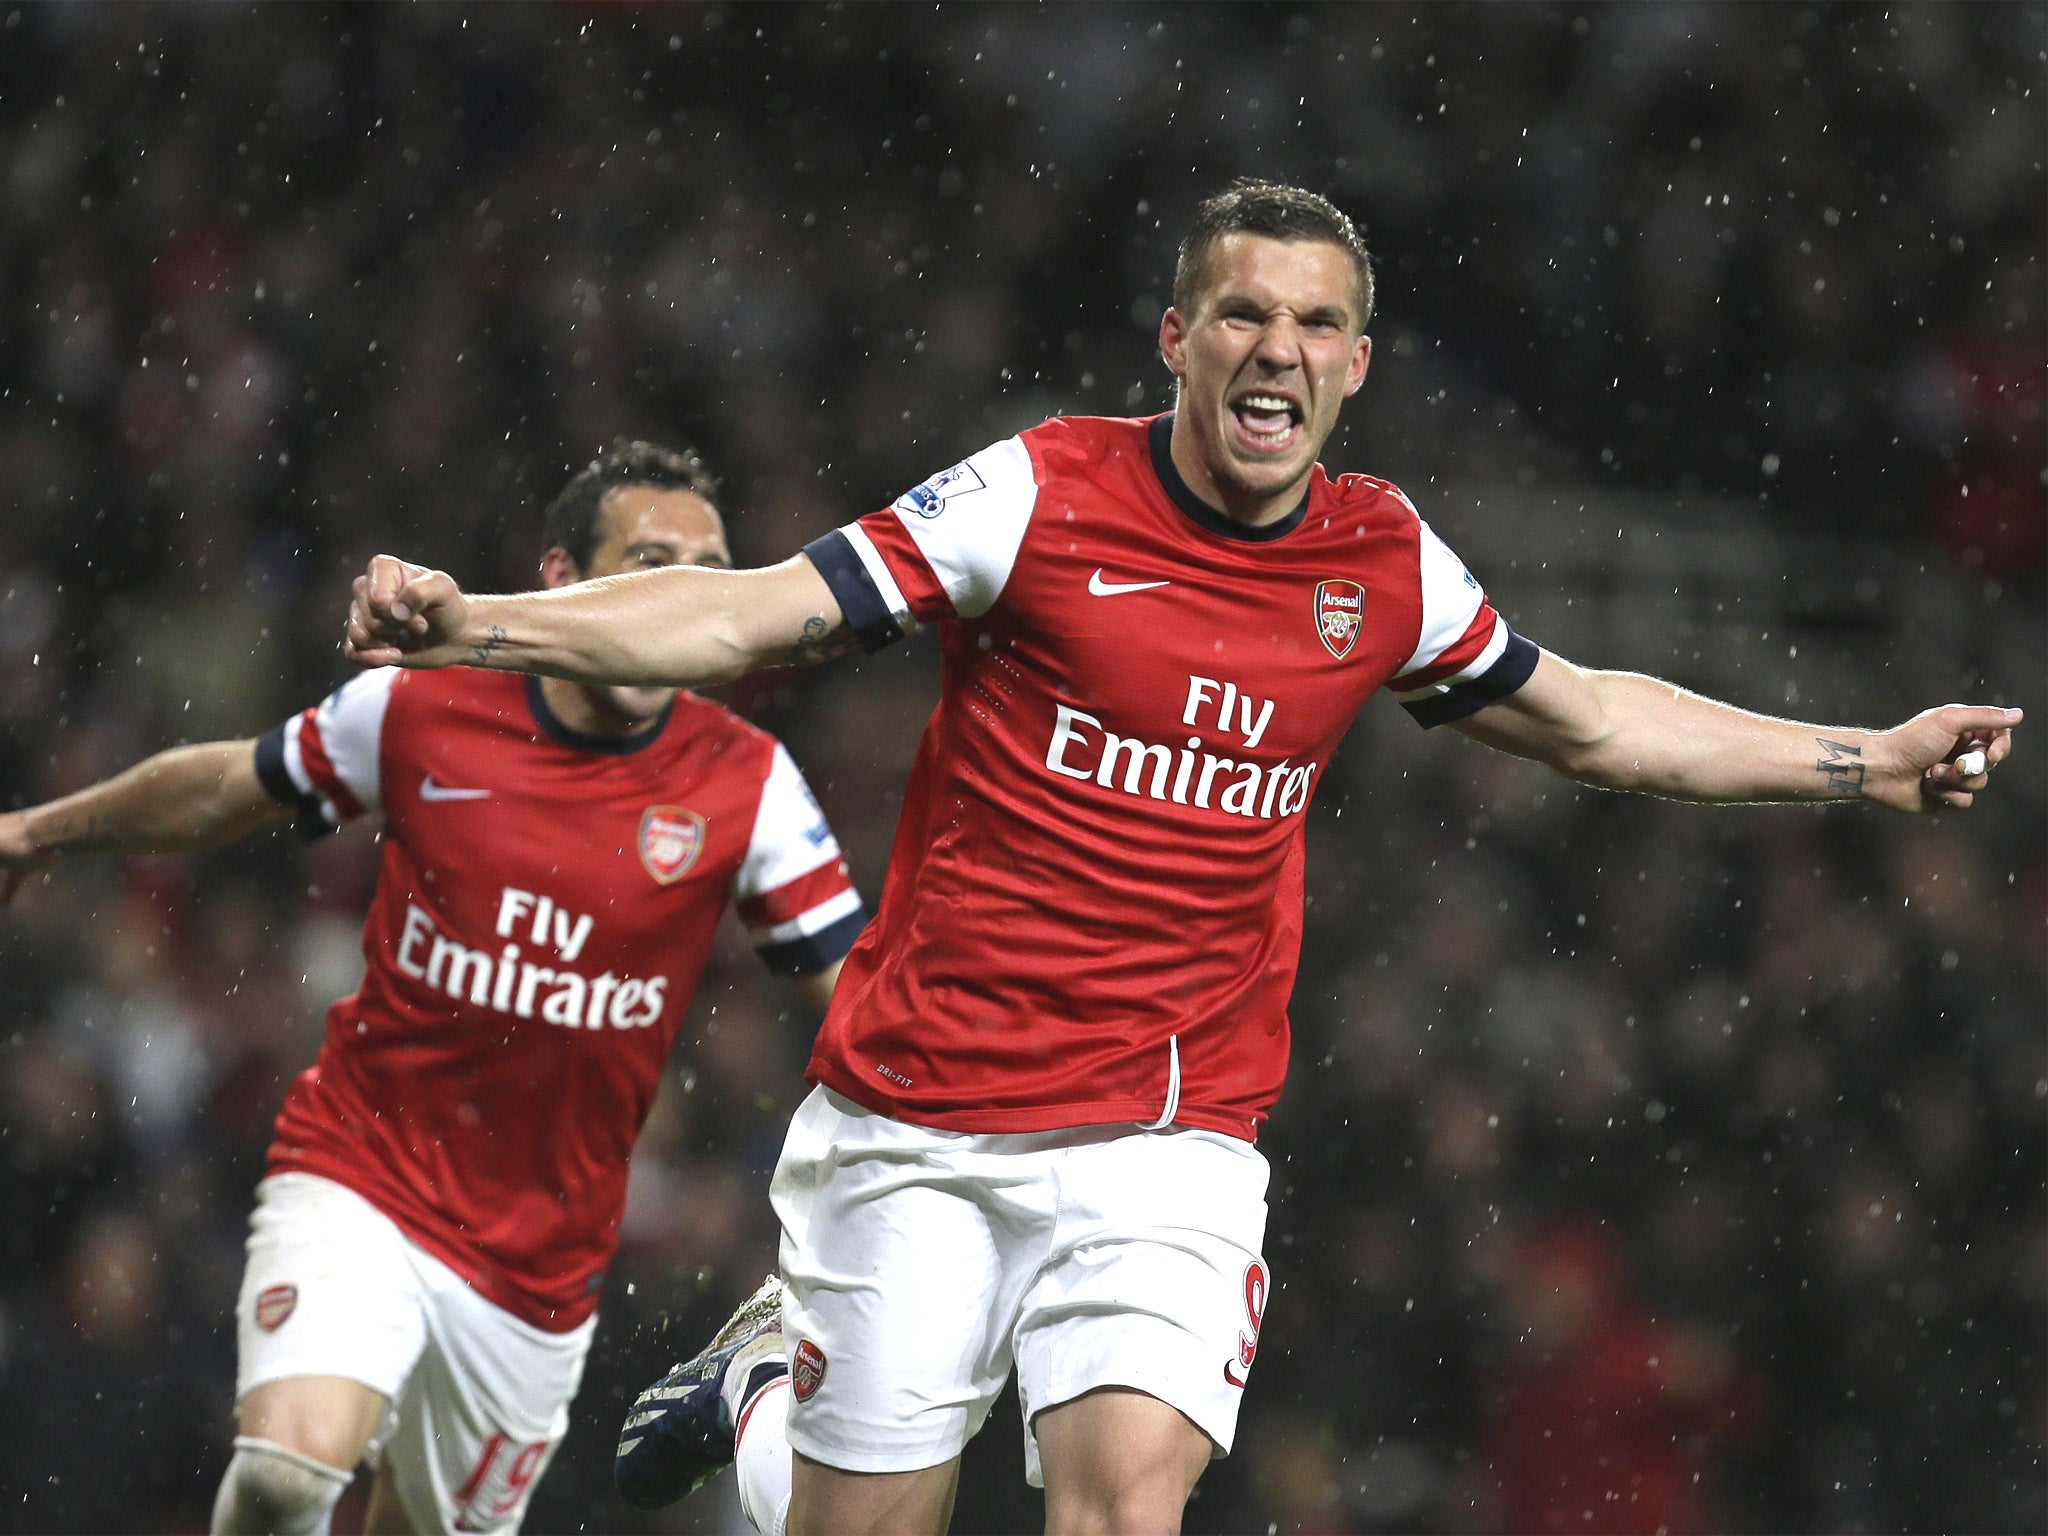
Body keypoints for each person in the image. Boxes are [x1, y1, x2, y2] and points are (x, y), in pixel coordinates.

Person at [341, 182, 2021, 1536]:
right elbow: (751, 606)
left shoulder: (1380, 562)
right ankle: (767, 1385)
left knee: (1122, 1507)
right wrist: (485, 625)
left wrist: (1856, 758)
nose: (1274, 347)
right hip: (916, 1120)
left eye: (1313, 322)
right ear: (1175, 338)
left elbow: (1586, 720)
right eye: (1241, 311)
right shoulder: (1035, 499)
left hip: (1166, 1136)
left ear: (1355, 365)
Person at [0, 441, 867, 1536]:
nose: (676, 595)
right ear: (560, 577)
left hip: (539, 1266)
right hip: (364, 1174)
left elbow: (862, 1009)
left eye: (705, 570)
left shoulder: (746, 783)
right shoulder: (425, 707)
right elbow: (236, 783)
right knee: (283, 1475)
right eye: (647, 559)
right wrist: (39, 831)